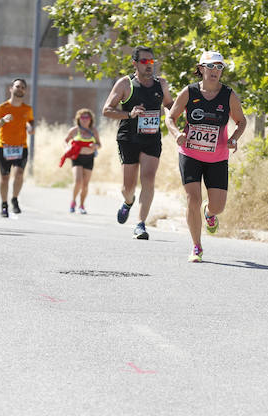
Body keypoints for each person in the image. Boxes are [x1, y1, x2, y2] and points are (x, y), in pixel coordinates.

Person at [166, 51, 246, 262]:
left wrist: (234, 139)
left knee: (218, 206)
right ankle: (196, 246)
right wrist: (177, 134)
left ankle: (209, 214)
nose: (215, 71)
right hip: (190, 153)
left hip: (217, 157)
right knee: (193, 199)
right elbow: (170, 118)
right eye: (210, 67)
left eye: (219, 67)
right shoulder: (189, 91)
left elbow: (241, 121)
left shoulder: (228, 94)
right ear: (201, 68)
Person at [102, 46, 175, 239]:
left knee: (149, 179)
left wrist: (171, 114)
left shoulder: (162, 84)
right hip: (129, 138)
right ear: (135, 63)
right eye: (144, 61)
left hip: (151, 137)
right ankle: (128, 202)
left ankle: (141, 224)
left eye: (151, 61)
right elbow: (107, 110)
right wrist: (129, 114)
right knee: (128, 187)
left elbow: (169, 104)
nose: (149, 65)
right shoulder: (125, 84)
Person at [0, 78, 34, 218]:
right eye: (17, 86)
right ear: (11, 89)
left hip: (21, 147)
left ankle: (14, 199)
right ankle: (4, 204)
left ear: (25, 91)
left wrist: (30, 128)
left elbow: (31, 125)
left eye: (22, 87)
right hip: (5, 147)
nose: (19, 89)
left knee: (19, 174)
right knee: (4, 178)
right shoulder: (2, 108)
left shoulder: (27, 109)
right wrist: (3, 120)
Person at [62, 108, 102, 214]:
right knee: (78, 181)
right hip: (77, 158)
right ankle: (73, 201)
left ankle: (82, 205)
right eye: (82, 117)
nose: (84, 119)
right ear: (78, 119)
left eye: (87, 117)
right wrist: (67, 148)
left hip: (89, 159)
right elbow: (65, 141)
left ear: (90, 119)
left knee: (85, 184)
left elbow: (99, 145)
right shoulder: (74, 130)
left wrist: (95, 146)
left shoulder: (94, 131)